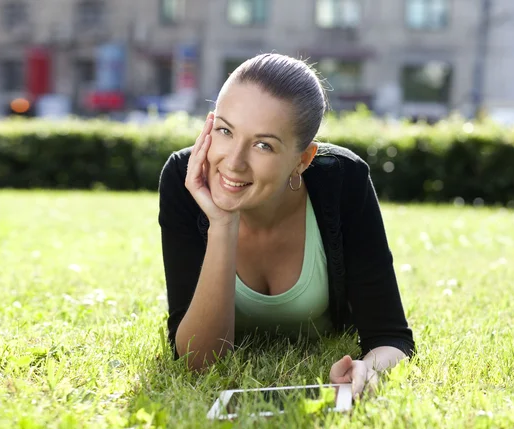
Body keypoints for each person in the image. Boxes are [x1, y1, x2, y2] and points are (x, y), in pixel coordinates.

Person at [158, 53, 415, 398]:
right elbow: (197, 361)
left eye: (263, 145)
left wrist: (368, 369)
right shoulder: (183, 178)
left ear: (303, 160)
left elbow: (392, 338)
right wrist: (222, 223)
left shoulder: (343, 180)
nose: (233, 163)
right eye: (225, 131)